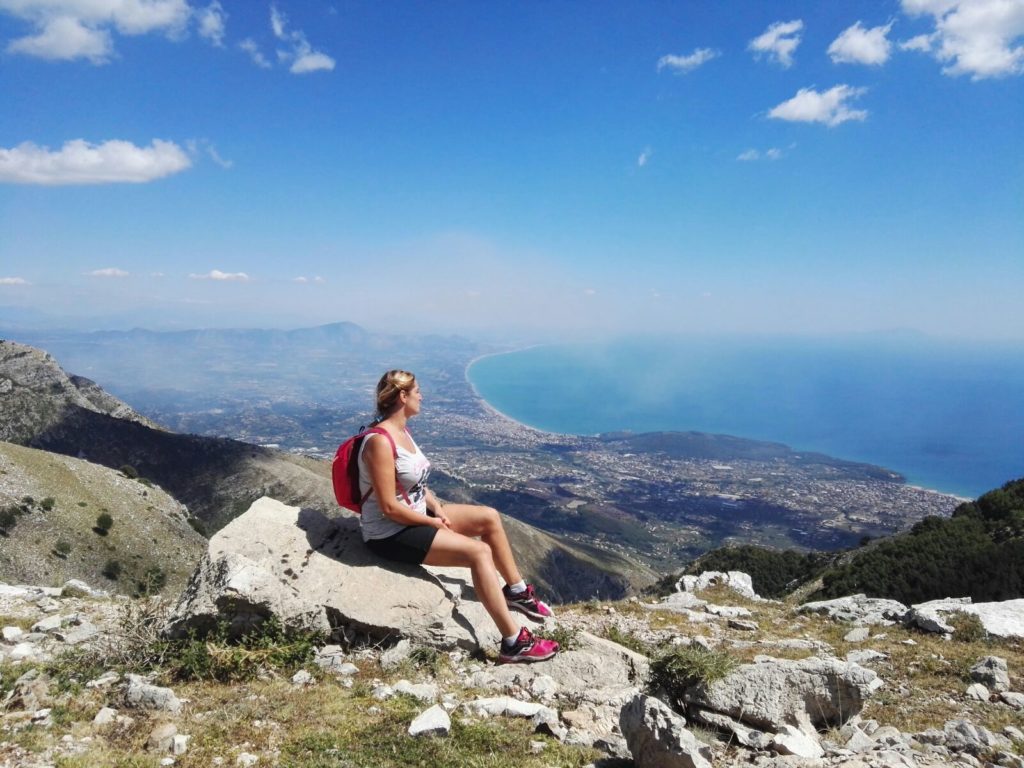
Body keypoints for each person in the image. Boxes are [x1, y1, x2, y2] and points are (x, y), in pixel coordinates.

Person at [357, 369, 559, 664]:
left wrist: (436, 506)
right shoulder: (379, 441)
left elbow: (411, 483)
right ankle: (514, 642)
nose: (421, 397)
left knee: (489, 517)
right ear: (402, 396)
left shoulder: (402, 433)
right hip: (389, 533)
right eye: (417, 392)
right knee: (479, 552)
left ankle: (516, 591)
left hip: (414, 515)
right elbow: (388, 506)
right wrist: (431, 522)